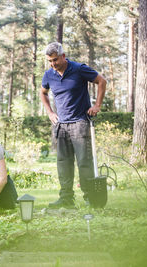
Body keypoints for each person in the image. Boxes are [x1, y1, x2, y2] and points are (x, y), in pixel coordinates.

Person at [40, 42, 107, 208]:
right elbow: (43, 93)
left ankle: (90, 197)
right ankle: (66, 198)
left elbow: (101, 81)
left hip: (80, 123)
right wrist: (49, 112)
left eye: (55, 60)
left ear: (63, 56)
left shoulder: (78, 69)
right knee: (63, 162)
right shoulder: (49, 75)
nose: (53, 64)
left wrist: (97, 105)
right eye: (50, 61)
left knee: (84, 162)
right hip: (61, 125)